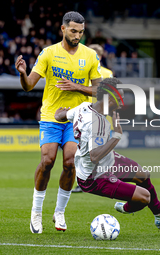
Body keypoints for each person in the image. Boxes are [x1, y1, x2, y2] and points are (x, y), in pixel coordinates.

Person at [55, 77, 160, 229]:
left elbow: (60, 116)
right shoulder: (97, 123)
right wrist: (117, 136)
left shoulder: (84, 106)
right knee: (145, 197)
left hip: (104, 161)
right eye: (120, 97)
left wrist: (59, 113)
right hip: (93, 176)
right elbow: (94, 156)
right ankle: (124, 207)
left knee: (142, 174)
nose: (122, 102)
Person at [15, 11, 102, 234]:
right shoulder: (49, 53)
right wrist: (23, 74)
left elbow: (102, 90)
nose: (77, 36)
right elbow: (29, 85)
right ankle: (36, 211)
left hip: (76, 118)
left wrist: (78, 87)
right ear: (63, 29)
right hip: (51, 117)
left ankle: (60, 211)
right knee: (47, 160)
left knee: (70, 162)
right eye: (73, 31)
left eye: (81, 32)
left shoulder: (90, 55)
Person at [72, 43, 113, 193]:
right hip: (86, 117)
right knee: (83, 151)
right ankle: (82, 181)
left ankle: (101, 179)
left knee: (99, 152)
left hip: (101, 118)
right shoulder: (82, 70)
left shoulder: (107, 73)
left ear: (100, 56)